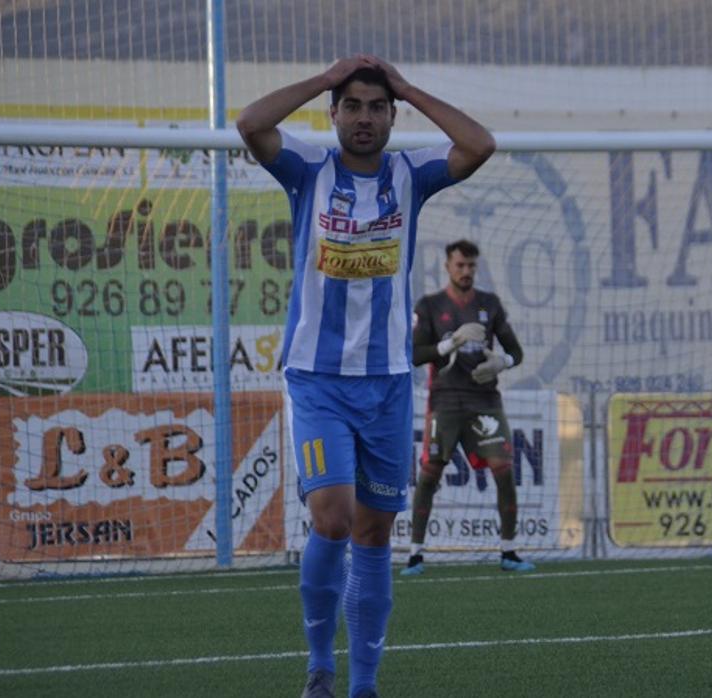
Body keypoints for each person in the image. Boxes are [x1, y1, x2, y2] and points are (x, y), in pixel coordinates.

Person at [237, 55, 495, 698]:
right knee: (331, 518)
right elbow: (250, 123)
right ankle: (320, 668)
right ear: (333, 113)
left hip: (386, 383)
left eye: (376, 107)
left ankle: (364, 685)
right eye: (351, 105)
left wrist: (405, 85)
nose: (363, 117)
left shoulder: (411, 176)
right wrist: (326, 77)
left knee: (375, 531)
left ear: (390, 116)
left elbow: (479, 144)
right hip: (318, 378)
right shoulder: (307, 171)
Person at [403, 239, 534, 576]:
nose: (466, 272)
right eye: (460, 265)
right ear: (447, 266)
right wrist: (450, 343)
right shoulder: (430, 306)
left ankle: (508, 551)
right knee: (430, 474)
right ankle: (415, 554)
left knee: (504, 470)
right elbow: (415, 355)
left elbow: (516, 353)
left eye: (471, 266)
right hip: (445, 400)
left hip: (484, 401)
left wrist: (500, 362)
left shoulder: (489, 305)